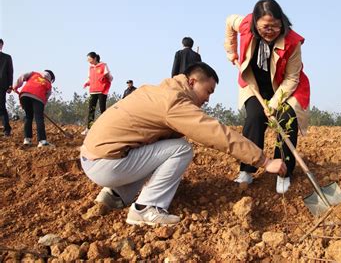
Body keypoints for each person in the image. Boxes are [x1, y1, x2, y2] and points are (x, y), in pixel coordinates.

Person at [80, 62, 286, 226]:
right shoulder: (174, 102)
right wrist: (264, 161)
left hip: (94, 157)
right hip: (106, 165)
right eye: (208, 91)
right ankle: (145, 209)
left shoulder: (158, 91)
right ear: (192, 81)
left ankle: (116, 194)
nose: (207, 99)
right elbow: (216, 133)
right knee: (181, 149)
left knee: (166, 145)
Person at [224, 0, 310, 194]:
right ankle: (247, 169)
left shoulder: (292, 42)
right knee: (254, 117)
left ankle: (284, 172)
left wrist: (273, 103)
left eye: (275, 26)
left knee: (287, 119)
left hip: (284, 88)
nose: (270, 30)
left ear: (282, 22)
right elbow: (229, 21)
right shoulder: (245, 24)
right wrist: (231, 50)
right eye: (265, 26)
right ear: (255, 23)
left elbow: (291, 78)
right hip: (254, 83)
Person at [13, 70, 56, 147]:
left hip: (24, 95)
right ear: (51, 78)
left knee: (28, 117)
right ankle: (42, 141)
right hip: (38, 97)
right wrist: (40, 108)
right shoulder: (48, 84)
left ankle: (27, 139)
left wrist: (15, 86)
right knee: (39, 118)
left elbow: (22, 76)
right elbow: (46, 97)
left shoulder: (33, 74)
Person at [82, 52, 113, 135]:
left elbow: (110, 77)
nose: (88, 61)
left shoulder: (103, 65)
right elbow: (90, 78)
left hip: (102, 91)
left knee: (102, 109)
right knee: (91, 109)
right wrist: (87, 83)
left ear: (95, 58)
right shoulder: (90, 68)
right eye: (88, 59)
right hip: (93, 91)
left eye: (89, 59)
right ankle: (89, 128)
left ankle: (105, 127)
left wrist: (106, 77)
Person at [0, 39, 13, 137]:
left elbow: (10, 72)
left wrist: (10, 85)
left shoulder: (7, 58)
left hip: (1, 85)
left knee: (1, 107)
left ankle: (7, 129)